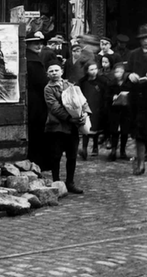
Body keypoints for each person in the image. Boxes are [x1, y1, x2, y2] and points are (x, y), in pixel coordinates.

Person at [43, 62, 87, 194]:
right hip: (57, 127)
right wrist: (69, 118)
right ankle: (56, 181)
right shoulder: (48, 89)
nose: (54, 73)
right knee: (56, 155)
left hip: (72, 127)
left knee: (72, 155)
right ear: (47, 74)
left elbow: (82, 101)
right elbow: (54, 107)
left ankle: (70, 182)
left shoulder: (70, 85)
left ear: (62, 72)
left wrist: (84, 113)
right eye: (51, 71)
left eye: (56, 70)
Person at [127, 24, 147, 174]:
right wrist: (130, 75)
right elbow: (126, 71)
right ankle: (140, 163)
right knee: (139, 131)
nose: (146, 41)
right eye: (143, 39)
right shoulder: (133, 54)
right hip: (138, 98)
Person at [25, 31, 50, 170]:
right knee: (37, 130)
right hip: (36, 101)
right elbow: (42, 83)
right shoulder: (34, 61)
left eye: (40, 43)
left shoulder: (30, 57)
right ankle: (38, 162)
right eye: (35, 43)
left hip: (32, 99)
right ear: (28, 44)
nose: (38, 46)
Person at [78, 62, 107, 159]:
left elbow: (105, 94)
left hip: (98, 106)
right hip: (86, 106)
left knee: (96, 127)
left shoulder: (102, 81)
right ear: (87, 71)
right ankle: (84, 148)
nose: (94, 71)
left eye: (95, 69)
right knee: (86, 127)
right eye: (91, 69)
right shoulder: (82, 82)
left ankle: (95, 147)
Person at [107, 62, 131, 161]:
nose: (119, 74)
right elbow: (106, 96)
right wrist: (113, 97)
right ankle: (113, 150)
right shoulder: (111, 83)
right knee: (114, 131)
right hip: (114, 110)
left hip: (125, 110)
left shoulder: (128, 83)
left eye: (121, 72)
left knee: (124, 132)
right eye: (117, 71)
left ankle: (122, 151)